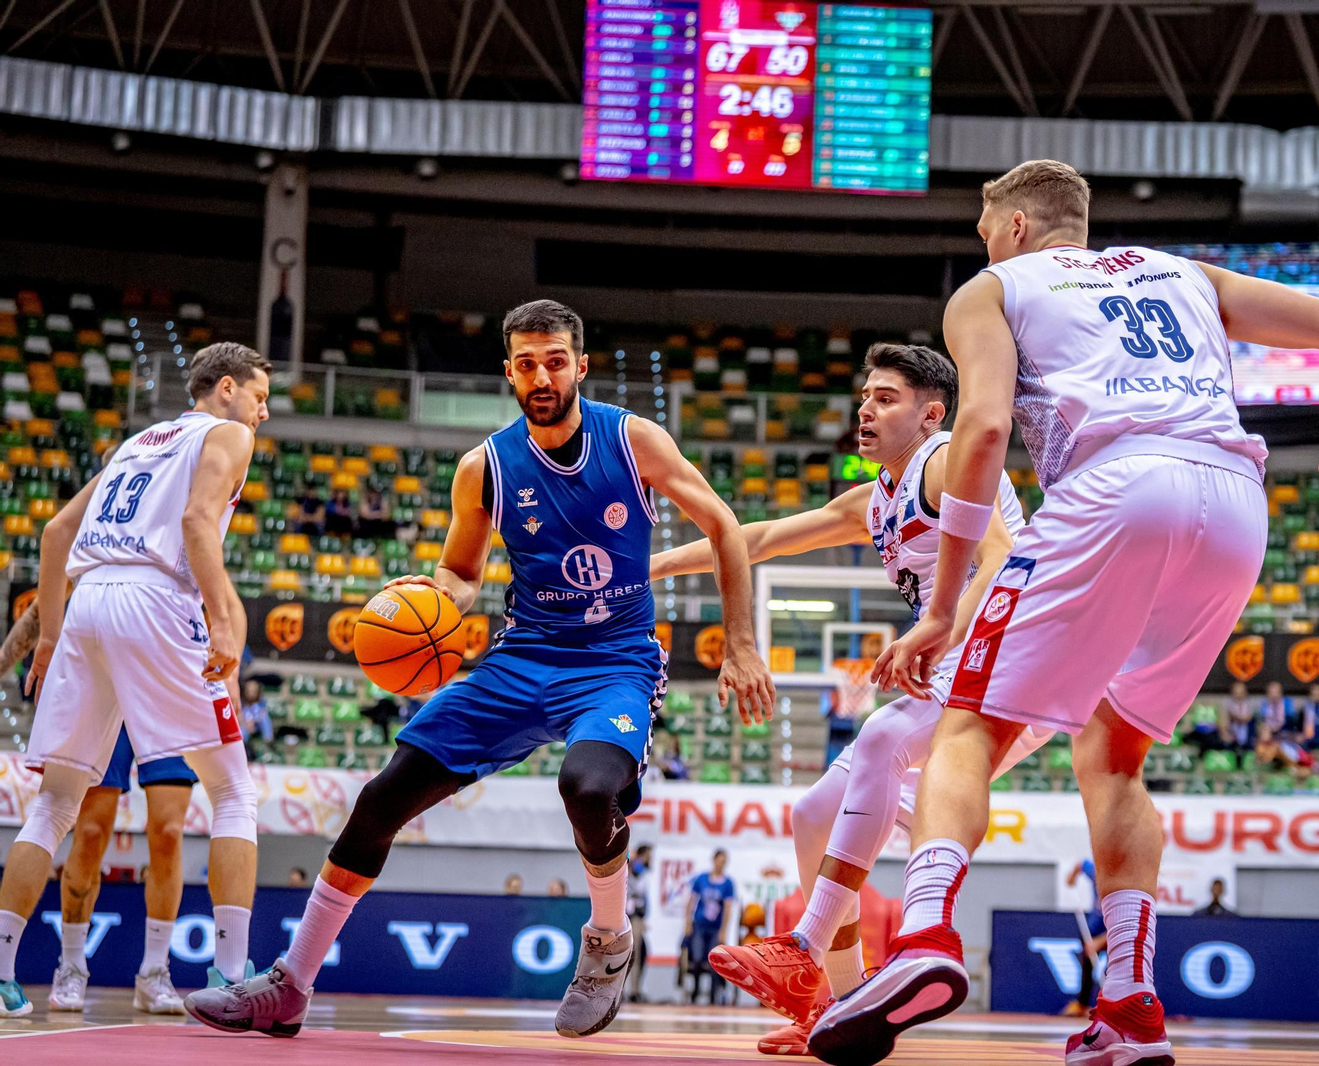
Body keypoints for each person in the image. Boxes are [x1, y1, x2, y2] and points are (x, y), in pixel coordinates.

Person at [812, 159, 1319, 1066]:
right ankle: (1129, 1002)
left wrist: (943, 606)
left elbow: (985, 433)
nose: (982, 241)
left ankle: (922, 940)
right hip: (1236, 502)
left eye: (983, 227)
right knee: (1115, 758)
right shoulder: (1184, 272)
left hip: (1117, 487)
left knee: (967, 729)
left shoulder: (993, 286)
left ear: (1014, 226)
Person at [186, 300, 774, 1040]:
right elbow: (461, 573)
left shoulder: (632, 440)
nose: (542, 375)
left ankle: (607, 942)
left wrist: (742, 643)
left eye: (555, 360)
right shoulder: (485, 467)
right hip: (521, 656)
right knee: (380, 800)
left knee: (588, 787)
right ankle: (290, 984)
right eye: (526, 363)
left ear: (580, 365)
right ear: (508, 372)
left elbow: (723, 525)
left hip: (614, 661)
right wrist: (434, 602)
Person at [651, 343, 1048, 1052]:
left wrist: (936, 631)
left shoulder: (947, 458)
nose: (866, 409)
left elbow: (998, 556)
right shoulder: (879, 496)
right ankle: (835, 1008)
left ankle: (803, 943)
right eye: (866, 396)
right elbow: (761, 536)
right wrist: (644, 570)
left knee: (881, 737)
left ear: (931, 415)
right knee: (812, 815)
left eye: (886, 399)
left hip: (1016, 653)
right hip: (957, 663)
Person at [0, 342, 270, 1019]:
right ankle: (233, 976)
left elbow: (59, 532)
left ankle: (4, 975)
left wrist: (55, 632)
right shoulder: (229, 434)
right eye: (261, 396)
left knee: (54, 806)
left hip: (89, 600)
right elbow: (196, 523)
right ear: (228, 387)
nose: (265, 411)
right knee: (234, 790)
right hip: (155, 599)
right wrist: (225, 618)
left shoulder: (137, 442)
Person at [0, 604, 204, 1015]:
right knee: (90, 831)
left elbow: (215, 592)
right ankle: (71, 963)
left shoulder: (188, 541)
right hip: (103, 671)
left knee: (168, 831)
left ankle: (154, 970)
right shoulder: (100, 547)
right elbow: (51, 587)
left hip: (164, 677)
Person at [684, 850, 737, 1006]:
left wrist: (724, 930)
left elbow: (728, 908)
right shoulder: (702, 879)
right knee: (698, 957)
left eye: (724, 861)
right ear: (713, 860)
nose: (721, 864)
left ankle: (714, 995)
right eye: (719, 860)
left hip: (715, 928)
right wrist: (687, 923)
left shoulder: (728, 884)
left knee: (715, 961)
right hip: (699, 926)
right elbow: (691, 901)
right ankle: (695, 990)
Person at [1063, 859, 1105, 1019]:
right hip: (1092, 929)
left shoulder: (1123, 882)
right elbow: (1080, 864)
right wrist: (1071, 878)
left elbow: (1127, 923)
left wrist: (1100, 941)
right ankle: (1082, 1004)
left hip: (1114, 932)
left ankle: (1114, 1003)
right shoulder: (1096, 871)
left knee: (1117, 968)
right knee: (1087, 968)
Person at [627, 845, 652, 1003]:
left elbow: (642, 896)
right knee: (627, 953)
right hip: (626, 915)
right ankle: (622, 990)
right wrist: (631, 858)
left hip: (637, 916)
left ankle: (635, 990)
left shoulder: (643, 873)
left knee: (639, 953)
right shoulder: (631, 866)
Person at [1224, 682, 1255, 751]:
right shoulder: (1229, 703)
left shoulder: (1248, 703)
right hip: (1233, 731)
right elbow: (1230, 715)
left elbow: (1249, 717)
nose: (1238, 695)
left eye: (1241, 693)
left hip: (1246, 730)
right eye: (1236, 693)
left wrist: (1240, 718)